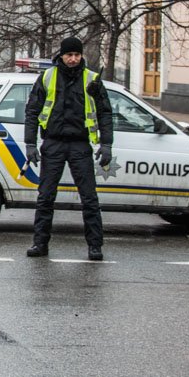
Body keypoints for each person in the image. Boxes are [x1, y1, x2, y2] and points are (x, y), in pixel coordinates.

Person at [22, 36, 114, 261]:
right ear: (61, 56)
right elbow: (32, 111)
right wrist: (30, 144)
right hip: (53, 142)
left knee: (89, 198)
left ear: (81, 55)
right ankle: (40, 243)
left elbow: (105, 113)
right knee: (45, 197)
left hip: (80, 144)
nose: (73, 59)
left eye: (76, 55)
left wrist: (107, 144)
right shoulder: (47, 77)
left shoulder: (92, 79)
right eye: (69, 55)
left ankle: (95, 246)